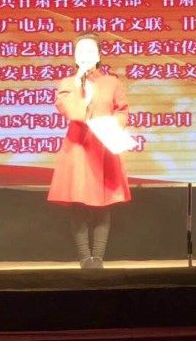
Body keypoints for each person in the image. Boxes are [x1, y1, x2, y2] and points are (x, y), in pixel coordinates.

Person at [47, 33, 131, 268]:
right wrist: (81, 88)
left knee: (104, 205)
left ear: (99, 56)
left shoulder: (112, 82)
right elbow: (72, 112)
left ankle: (98, 258)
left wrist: (113, 124)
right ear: (75, 57)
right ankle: (85, 258)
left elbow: (123, 111)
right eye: (80, 51)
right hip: (78, 150)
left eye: (90, 51)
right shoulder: (67, 84)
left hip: (104, 148)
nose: (85, 55)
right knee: (78, 205)